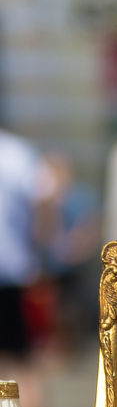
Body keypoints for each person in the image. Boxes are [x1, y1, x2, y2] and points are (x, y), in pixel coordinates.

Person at [0, 128, 54, 356]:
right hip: (14, 269)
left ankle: (11, 393)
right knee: (19, 361)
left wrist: (38, 247)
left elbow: (44, 198)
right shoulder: (15, 151)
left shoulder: (13, 151)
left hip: (13, 274)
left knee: (19, 361)